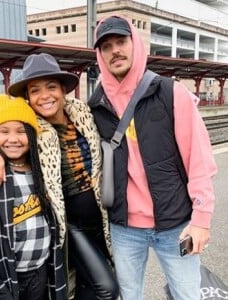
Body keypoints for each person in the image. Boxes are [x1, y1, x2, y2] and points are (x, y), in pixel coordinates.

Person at [0, 53, 119, 300]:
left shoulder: (83, 113)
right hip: (70, 225)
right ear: (28, 98)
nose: (45, 96)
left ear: (64, 90)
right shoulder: (31, 128)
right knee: (106, 287)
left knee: (91, 283)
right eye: (35, 90)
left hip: (102, 217)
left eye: (51, 87)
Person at [87, 15, 217, 300]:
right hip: (124, 227)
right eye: (106, 46)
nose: (115, 51)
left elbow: (199, 159)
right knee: (129, 295)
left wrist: (201, 220)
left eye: (121, 41)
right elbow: (50, 130)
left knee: (187, 294)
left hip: (175, 223)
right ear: (99, 54)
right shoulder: (95, 106)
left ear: (135, 43)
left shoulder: (171, 93)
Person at [0, 94, 67, 300]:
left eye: (21, 131)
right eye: (4, 131)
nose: (13, 139)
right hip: (2, 276)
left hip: (41, 272)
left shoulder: (44, 172)